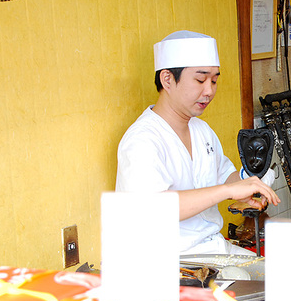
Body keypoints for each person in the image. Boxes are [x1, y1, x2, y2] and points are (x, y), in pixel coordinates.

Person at [116, 30, 279, 255]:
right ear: (167, 80)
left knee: (283, 276)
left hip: (213, 250)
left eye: (214, 80)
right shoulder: (142, 140)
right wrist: (228, 190)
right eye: (200, 80)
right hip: (168, 261)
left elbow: (225, 177)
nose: (209, 91)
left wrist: (249, 180)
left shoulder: (201, 130)